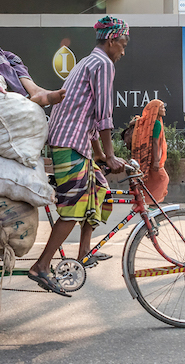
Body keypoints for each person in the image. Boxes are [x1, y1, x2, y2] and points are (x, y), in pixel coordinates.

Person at [28, 16, 129, 297]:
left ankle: (84, 252)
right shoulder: (103, 64)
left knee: (100, 190)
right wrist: (110, 156)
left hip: (76, 142)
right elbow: (104, 116)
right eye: (123, 43)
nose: (124, 50)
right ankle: (41, 266)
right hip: (68, 143)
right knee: (73, 208)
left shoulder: (87, 62)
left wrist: (99, 156)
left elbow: (88, 116)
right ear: (111, 41)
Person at [131, 99, 169, 204]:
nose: (164, 110)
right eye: (162, 108)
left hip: (143, 156)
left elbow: (133, 122)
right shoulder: (156, 123)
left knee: (148, 180)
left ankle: (142, 202)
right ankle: (152, 203)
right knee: (163, 179)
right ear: (155, 109)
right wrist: (156, 160)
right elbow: (155, 142)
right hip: (152, 157)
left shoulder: (144, 121)